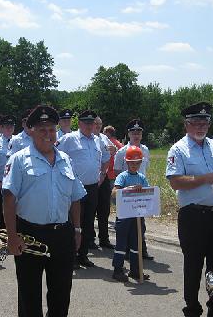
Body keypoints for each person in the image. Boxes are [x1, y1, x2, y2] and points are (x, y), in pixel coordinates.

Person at [2, 105, 86, 317]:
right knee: (29, 287)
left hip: (62, 232)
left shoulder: (65, 159)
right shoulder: (19, 159)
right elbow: (9, 199)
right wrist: (12, 237)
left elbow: (76, 197)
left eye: (51, 130)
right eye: (42, 130)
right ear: (31, 131)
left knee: (62, 286)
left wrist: (77, 229)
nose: (48, 135)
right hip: (30, 232)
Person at [166, 102, 213, 317]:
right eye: (196, 123)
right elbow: (175, 181)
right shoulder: (178, 149)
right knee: (193, 265)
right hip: (193, 216)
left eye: (204, 123)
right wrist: (206, 178)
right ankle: (191, 311)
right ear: (186, 125)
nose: (200, 127)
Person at [57, 110, 110, 268]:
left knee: (88, 222)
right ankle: (71, 256)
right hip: (74, 188)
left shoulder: (98, 140)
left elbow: (106, 158)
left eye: (91, 123)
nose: (89, 126)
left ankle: (83, 255)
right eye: (86, 123)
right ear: (79, 123)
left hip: (93, 187)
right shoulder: (69, 138)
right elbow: (55, 155)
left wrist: (102, 174)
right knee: (74, 223)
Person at [113, 119, 153, 260]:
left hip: (140, 193)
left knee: (140, 224)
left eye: (139, 133)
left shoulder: (145, 150)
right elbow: (117, 171)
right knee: (125, 225)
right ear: (129, 134)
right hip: (126, 194)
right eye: (133, 133)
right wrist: (125, 189)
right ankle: (125, 251)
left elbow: (145, 170)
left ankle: (141, 250)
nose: (136, 135)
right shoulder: (122, 152)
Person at [111, 146, 150, 282]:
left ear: (141, 163)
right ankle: (117, 270)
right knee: (121, 244)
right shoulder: (122, 176)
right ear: (127, 162)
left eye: (137, 163)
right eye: (131, 163)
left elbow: (149, 194)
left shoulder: (142, 178)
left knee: (136, 244)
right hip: (124, 216)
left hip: (137, 216)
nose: (134, 165)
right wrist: (127, 189)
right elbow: (114, 193)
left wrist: (143, 190)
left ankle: (135, 270)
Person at [92, 115, 117, 249]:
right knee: (90, 210)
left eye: (100, 124)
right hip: (90, 177)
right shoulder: (86, 138)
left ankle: (104, 238)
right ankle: (89, 239)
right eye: (95, 123)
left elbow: (113, 150)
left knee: (104, 209)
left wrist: (114, 149)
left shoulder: (104, 138)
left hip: (104, 176)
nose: (97, 126)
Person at [0, 115, 15, 229]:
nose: (9, 129)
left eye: (11, 126)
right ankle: (3, 235)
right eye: (6, 126)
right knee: (1, 213)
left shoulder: (18, 141)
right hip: (1, 181)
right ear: (2, 127)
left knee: (15, 212)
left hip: (15, 182)